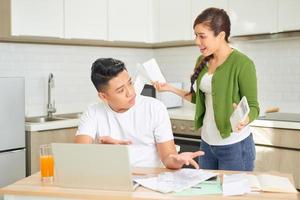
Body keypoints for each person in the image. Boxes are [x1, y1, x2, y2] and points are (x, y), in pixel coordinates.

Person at [153, 7, 259, 171]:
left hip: (234, 146)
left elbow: (254, 106)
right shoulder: (202, 61)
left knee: (233, 196)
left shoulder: (242, 64)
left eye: (202, 36)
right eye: (196, 35)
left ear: (221, 35)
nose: (197, 41)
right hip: (207, 145)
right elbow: (198, 99)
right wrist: (170, 88)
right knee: (208, 194)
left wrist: (244, 119)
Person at [75, 58, 204, 169]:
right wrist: (104, 151)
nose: (130, 92)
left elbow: (168, 158)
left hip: (149, 181)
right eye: (120, 90)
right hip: (112, 179)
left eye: (130, 83)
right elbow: (78, 155)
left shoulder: (154, 108)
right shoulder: (93, 112)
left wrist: (177, 160)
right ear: (103, 96)